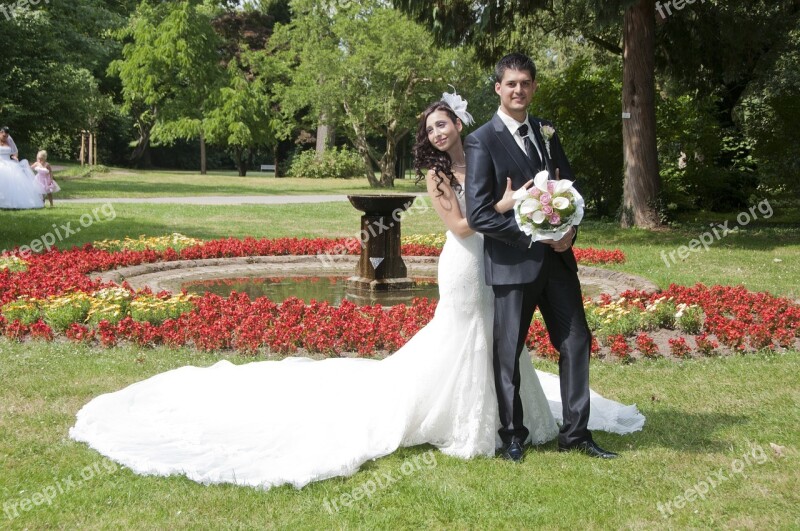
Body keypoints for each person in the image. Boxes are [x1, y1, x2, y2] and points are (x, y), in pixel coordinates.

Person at [69, 96, 643, 491]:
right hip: (465, 265)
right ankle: (468, 422)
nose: (439, 131)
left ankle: (516, 425)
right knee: (462, 339)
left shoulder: (488, 151)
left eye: (444, 122)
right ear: (428, 138)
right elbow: (464, 226)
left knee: (502, 340)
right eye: (431, 128)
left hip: (502, 261)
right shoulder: (438, 175)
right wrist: (504, 204)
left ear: (459, 123)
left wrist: (528, 209)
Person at [465, 52, 618, 461]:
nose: (519, 90)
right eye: (511, 83)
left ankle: (576, 433)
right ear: (498, 88)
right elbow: (478, 214)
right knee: (508, 351)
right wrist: (531, 235)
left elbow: (572, 193)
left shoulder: (547, 132)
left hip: (559, 261)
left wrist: (570, 232)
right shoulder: (481, 140)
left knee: (576, 341)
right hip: (514, 262)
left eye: (525, 83)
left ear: (533, 87)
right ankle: (512, 436)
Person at [0, 126, 45, 209]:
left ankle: (10, 202)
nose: (5, 138)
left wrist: (15, 157)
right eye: (3, 136)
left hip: (9, 163)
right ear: (0, 133)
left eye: (6, 136)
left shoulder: (9, 140)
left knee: (12, 183)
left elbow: (15, 151)